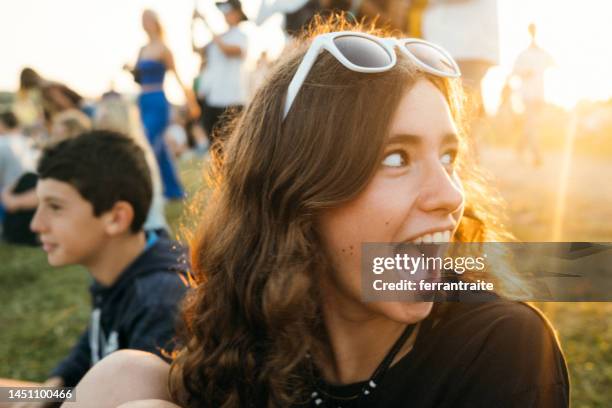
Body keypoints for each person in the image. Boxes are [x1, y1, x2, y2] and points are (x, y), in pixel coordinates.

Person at [65, 21, 569, 408]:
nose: (450, 195)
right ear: (297, 193)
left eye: (448, 158)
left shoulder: (501, 344)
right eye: (396, 158)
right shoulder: (254, 338)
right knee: (125, 375)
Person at [0, 131, 190, 404]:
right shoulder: (118, 271)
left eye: (54, 207)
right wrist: (49, 390)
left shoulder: (161, 299)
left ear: (116, 217)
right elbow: (86, 352)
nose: (36, 224)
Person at [126, 9, 199, 200]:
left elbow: (177, 75)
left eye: (148, 19)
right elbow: (138, 79)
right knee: (161, 148)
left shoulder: (164, 49)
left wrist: (191, 102)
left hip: (158, 99)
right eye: (142, 20)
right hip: (144, 99)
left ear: (156, 22)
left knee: (150, 143)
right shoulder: (142, 49)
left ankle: (152, 189)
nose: (145, 23)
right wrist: (129, 71)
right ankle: (173, 190)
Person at [1, 109, 91, 246]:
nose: (52, 137)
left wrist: (13, 200)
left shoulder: (71, 163)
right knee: (28, 178)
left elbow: (49, 194)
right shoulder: (74, 160)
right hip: (53, 214)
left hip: (55, 219)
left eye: (57, 133)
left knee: (29, 179)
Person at [191, 0, 249, 146]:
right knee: (215, 146)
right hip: (213, 99)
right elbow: (196, 50)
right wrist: (192, 25)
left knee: (231, 145)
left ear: (237, 14)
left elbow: (227, 51)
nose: (225, 14)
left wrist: (205, 23)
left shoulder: (241, 36)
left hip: (232, 99)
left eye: (229, 11)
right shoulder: (219, 38)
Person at [509, 23, 555, 167]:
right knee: (532, 123)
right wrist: (524, 72)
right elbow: (515, 71)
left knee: (533, 124)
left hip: (540, 94)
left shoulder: (542, 53)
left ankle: (519, 147)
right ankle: (537, 155)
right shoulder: (523, 55)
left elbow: (554, 64)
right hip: (527, 95)